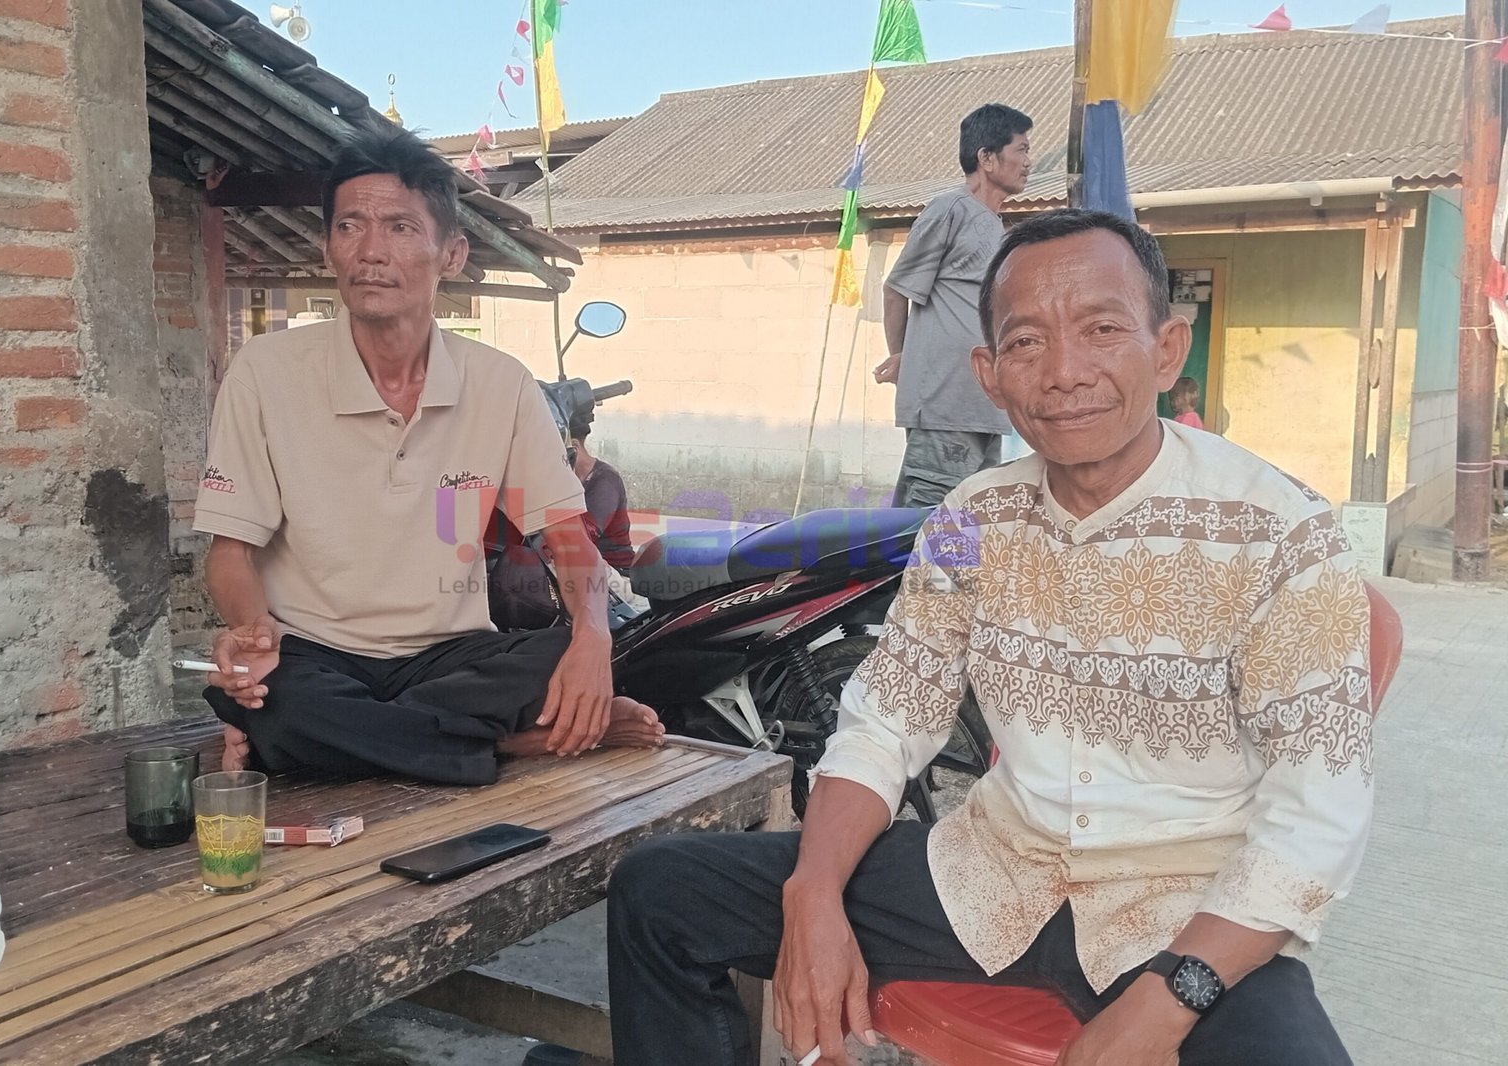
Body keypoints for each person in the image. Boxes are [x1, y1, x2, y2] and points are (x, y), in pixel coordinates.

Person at [606, 211, 1373, 1066]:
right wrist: (812, 894)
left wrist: (1170, 999)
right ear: (990, 374)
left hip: (1185, 908)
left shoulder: (1280, 530)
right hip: (988, 873)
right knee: (659, 891)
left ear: (1167, 350)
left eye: (1102, 329)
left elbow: (1318, 809)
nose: (1065, 372)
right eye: (1027, 342)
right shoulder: (972, 520)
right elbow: (886, 721)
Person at [194, 123, 663, 784]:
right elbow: (230, 553)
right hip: (315, 652)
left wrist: (592, 638)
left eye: (401, 228)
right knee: (281, 698)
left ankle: (346, 740)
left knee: (559, 652)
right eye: (350, 226)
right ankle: (506, 744)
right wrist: (253, 629)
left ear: (451, 254)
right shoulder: (265, 373)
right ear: (328, 248)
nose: (371, 251)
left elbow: (567, 536)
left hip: (452, 655)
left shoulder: (501, 384)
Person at [874, 103, 1033, 507]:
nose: (1028, 162)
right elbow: (896, 289)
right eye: (1021, 150)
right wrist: (902, 356)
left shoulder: (996, 226)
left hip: (984, 406)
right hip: (945, 405)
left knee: (969, 523)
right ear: (987, 158)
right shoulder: (950, 209)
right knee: (928, 523)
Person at [569, 416, 635, 572]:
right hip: (586, 565)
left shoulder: (605, 480)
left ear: (574, 447)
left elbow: (583, 537)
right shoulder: (569, 479)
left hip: (615, 569)